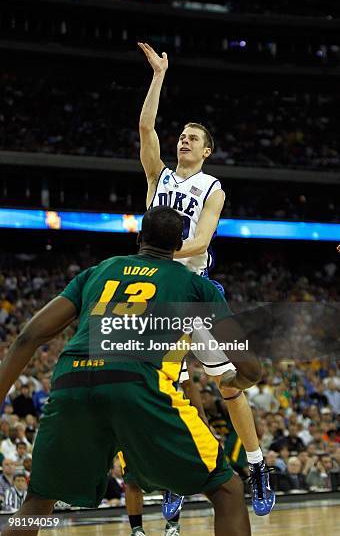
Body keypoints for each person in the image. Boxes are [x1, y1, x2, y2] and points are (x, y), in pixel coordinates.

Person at [0, 207, 254, 536]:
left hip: (72, 380)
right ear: (179, 245)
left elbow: (29, 337)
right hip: (136, 384)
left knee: (36, 504)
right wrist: (238, 380)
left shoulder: (98, 271)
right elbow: (250, 365)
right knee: (228, 490)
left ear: (138, 238)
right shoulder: (193, 286)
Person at [131, 42, 274, 530]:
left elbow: (201, 242)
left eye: (194, 137)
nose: (184, 140)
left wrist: (159, 252)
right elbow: (147, 127)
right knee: (166, 388)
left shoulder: (211, 186)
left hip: (197, 292)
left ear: (207, 150)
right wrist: (158, 77)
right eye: (183, 135)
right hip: (158, 296)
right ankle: (176, 472)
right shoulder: (158, 177)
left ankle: (256, 466)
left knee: (231, 385)